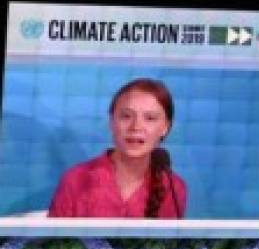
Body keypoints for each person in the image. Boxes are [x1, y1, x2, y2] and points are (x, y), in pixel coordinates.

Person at [47, 77, 187, 218]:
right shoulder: (76, 179)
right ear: (111, 122)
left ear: (165, 127)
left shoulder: (173, 187)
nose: (136, 127)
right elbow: (54, 239)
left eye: (150, 118)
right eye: (126, 116)